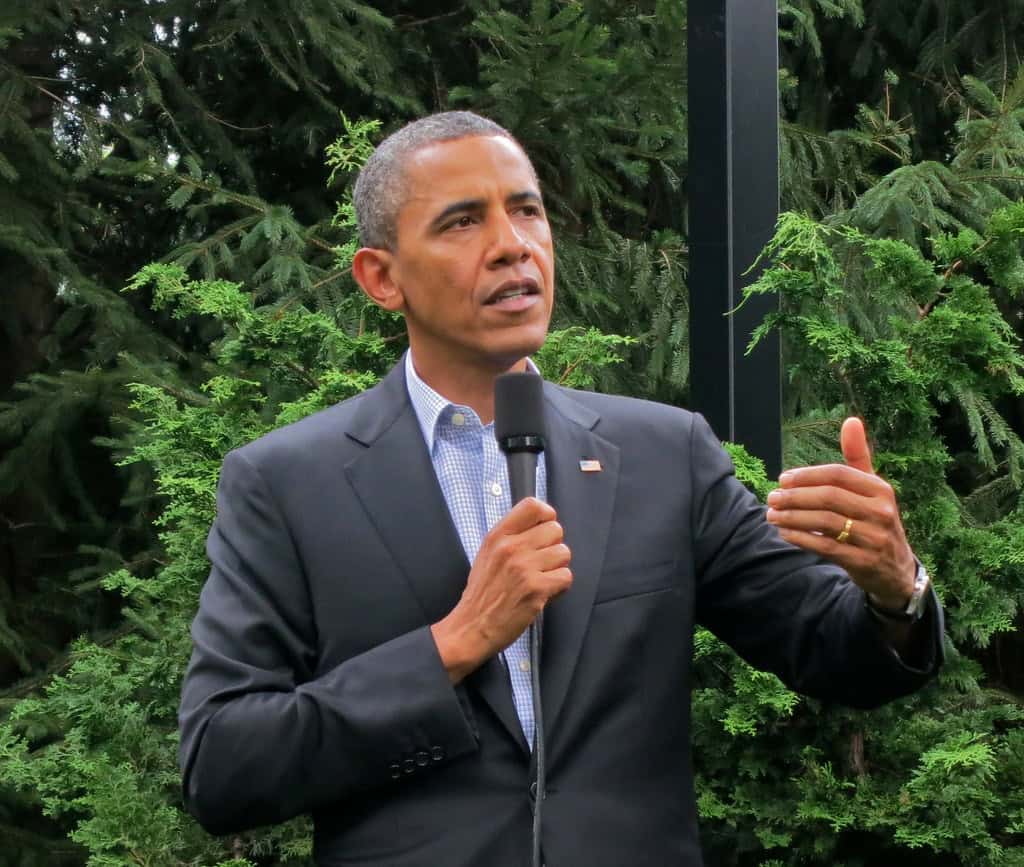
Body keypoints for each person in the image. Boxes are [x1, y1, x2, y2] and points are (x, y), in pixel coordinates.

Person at [178, 112, 943, 866]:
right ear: (382, 277)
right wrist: (452, 644)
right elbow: (222, 765)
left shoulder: (663, 453)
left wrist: (893, 591)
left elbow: (837, 654)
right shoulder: (286, 484)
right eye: (461, 222)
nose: (512, 245)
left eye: (527, 210)